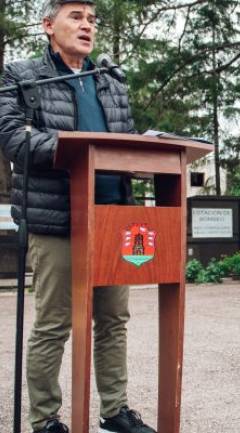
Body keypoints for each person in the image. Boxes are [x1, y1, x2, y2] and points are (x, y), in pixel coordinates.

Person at [0, 2, 154, 433]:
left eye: (92, 20)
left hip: (113, 220)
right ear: (49, 25)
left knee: (113, 320)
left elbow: (124, 144)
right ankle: (45, 419)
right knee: (54, 323)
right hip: (58, 218)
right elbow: (13, 139)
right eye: (76, 17)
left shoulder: (109, 81)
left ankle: (114, 412)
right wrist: (71, 148)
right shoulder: (24, 76)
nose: (87, 25)